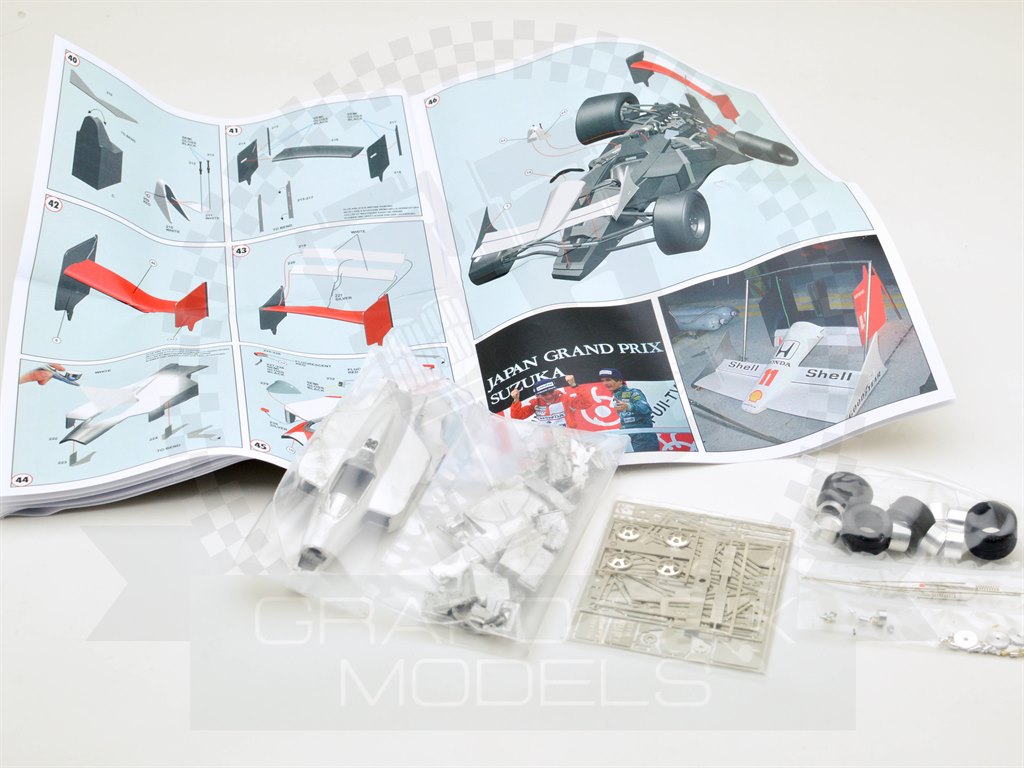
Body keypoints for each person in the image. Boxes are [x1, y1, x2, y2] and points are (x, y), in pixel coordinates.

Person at [598, 367, 659, 452]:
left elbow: (646, 409)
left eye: (608, 380)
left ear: (619, 381)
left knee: (646, 460)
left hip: (643, 436)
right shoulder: (614, 397)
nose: (605, 383)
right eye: (603, 380)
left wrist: (628, 406)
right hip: (626, 436)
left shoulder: (633, 392)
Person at [510, 375, 593, 429]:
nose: (549, 396)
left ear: (555, 389)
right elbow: (517, 417)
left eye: (551, 391)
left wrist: (574, 385)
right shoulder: (535, 403)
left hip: (567, 436)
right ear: (538, 395)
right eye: (544, 394)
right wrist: (516, 400)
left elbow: (587, 403)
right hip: (546, 439)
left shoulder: (566, 399)